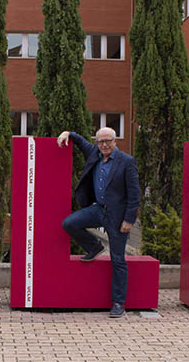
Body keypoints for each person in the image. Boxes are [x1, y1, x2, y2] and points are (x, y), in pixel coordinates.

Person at [57, 127, 141, 318]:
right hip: (98, 210)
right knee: (69, 223)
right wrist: (68, 134)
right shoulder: (95, 153)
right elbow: (80, 142)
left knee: (117, 260)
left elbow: (135, 194)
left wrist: (129, 220)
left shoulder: (127, 162)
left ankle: (119, 303)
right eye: (100, 141)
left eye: (108, 141)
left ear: (115, 141)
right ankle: (94, 246)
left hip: (118, 217)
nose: (104, 144)